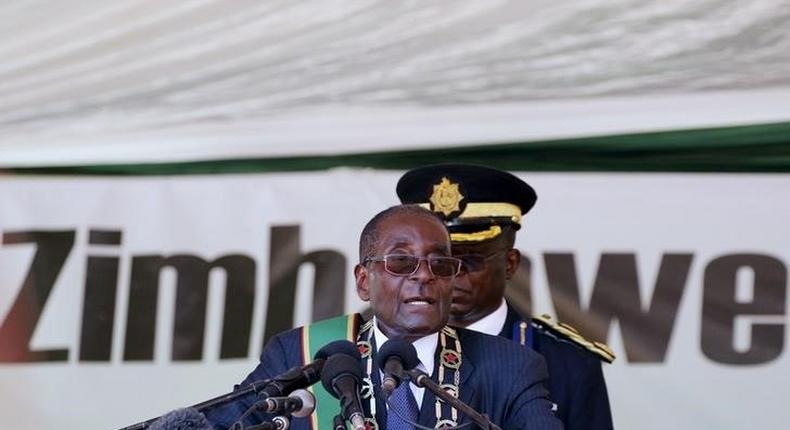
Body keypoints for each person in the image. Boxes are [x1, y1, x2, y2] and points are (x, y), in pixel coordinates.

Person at [205, 204, 562, 430]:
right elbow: (221, 424)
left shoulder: (511, 367)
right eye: (402, 262)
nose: (424, 276)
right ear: (364, 281)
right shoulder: (299, 354)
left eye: (440, 263)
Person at [397, 163, 615, 430]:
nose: (452, 274)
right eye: (440, 261)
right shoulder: (384, 352)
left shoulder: (567, 364)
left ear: (510, 263)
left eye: (469, 259)